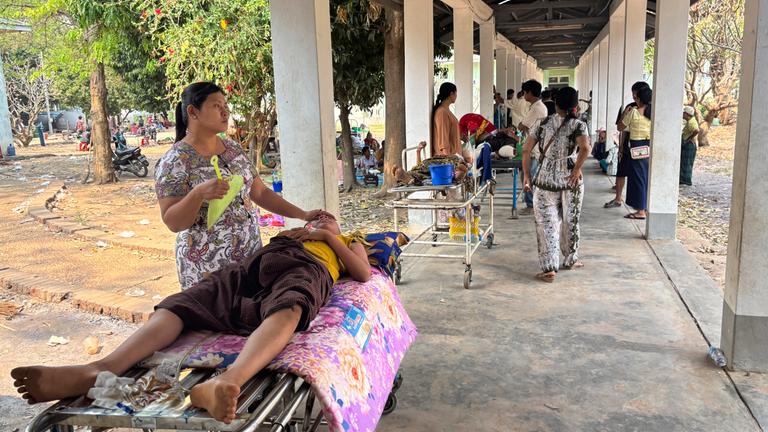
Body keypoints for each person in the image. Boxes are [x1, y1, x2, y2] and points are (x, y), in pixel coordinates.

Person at [11, 215, 371, 424]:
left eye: (328, 216)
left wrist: (328, 236)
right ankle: (100, 367)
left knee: (291, 306)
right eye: (316, 216)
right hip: (254, 266)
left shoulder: (347, 240)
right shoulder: (289, 232)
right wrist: (296, 233)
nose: (320, 217)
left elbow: (363, 274)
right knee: (188, 301)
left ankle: (226, 382)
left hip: (304, 269)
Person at [155, 82, 331, 290]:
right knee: (214, 319)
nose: (225, 111)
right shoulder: (175, 160)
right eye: (216, 106)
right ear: (193, 112)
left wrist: (302, 214)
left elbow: (261, 192)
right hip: (206, 266)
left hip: (249, 255)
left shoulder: (232, 148)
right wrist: (198, 194)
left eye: (225, 105)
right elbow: (173, 222)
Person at [521, 87, 591, 283]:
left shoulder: (542, 124)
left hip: (544, 182)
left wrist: (527, 175)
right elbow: (585, 148)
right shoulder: (579, 125)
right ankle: (570, 259)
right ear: (575, 106)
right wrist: (576, 169)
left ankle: (549, 268)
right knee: (571, 220)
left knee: (546, 224)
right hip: (571, 182)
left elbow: (526, 150)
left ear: (554, 102)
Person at [604, 81, 650, 208]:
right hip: (635, 144)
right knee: (624, 172)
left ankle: (641, 207)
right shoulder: (633, 107)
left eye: (635, 93)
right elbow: (621, 128)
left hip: (635, 145)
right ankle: (619, 199)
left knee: (638, 176)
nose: (634, 96)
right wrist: (620, 146)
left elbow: (620, 127)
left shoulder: (639, 109)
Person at [617, 86, 653, 220]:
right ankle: (645, 207)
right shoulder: (652, 112)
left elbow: (620, 127)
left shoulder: (634, 112)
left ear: (639, 98)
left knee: (637, 179)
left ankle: (640, 210)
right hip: (649, 145)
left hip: (637, 147)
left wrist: (625, 113)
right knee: (645, 177)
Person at [519, 80, 549, 213]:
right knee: (529, 176)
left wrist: (520, 125)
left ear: (530, 93)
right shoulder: (538, 106)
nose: (524, 95)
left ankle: (531, 205)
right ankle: (531, 202)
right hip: (536, 147)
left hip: (533, 149)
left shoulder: (536, 108)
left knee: (529, 176)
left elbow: (523, 126)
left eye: (525, 92)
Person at [432, 82, 472, 162]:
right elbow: (443, 138)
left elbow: (449, 131)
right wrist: (449, 162)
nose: (456, 96)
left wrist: (459, 136)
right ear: (451, 94)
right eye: (456, 93)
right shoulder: (442, 112)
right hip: (448, 158)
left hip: (455, 156)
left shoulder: (446, 110)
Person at [680, 106, 700, 186]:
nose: (682, 115)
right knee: (684, 162)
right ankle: (683, 179)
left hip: (689, 145)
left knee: (687, 163)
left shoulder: (692, 122)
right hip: (688, 144)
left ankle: (686, 180)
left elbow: (696, 131)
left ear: (686, 114)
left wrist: (688, 139)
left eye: (683, 113)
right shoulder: (690, 121)